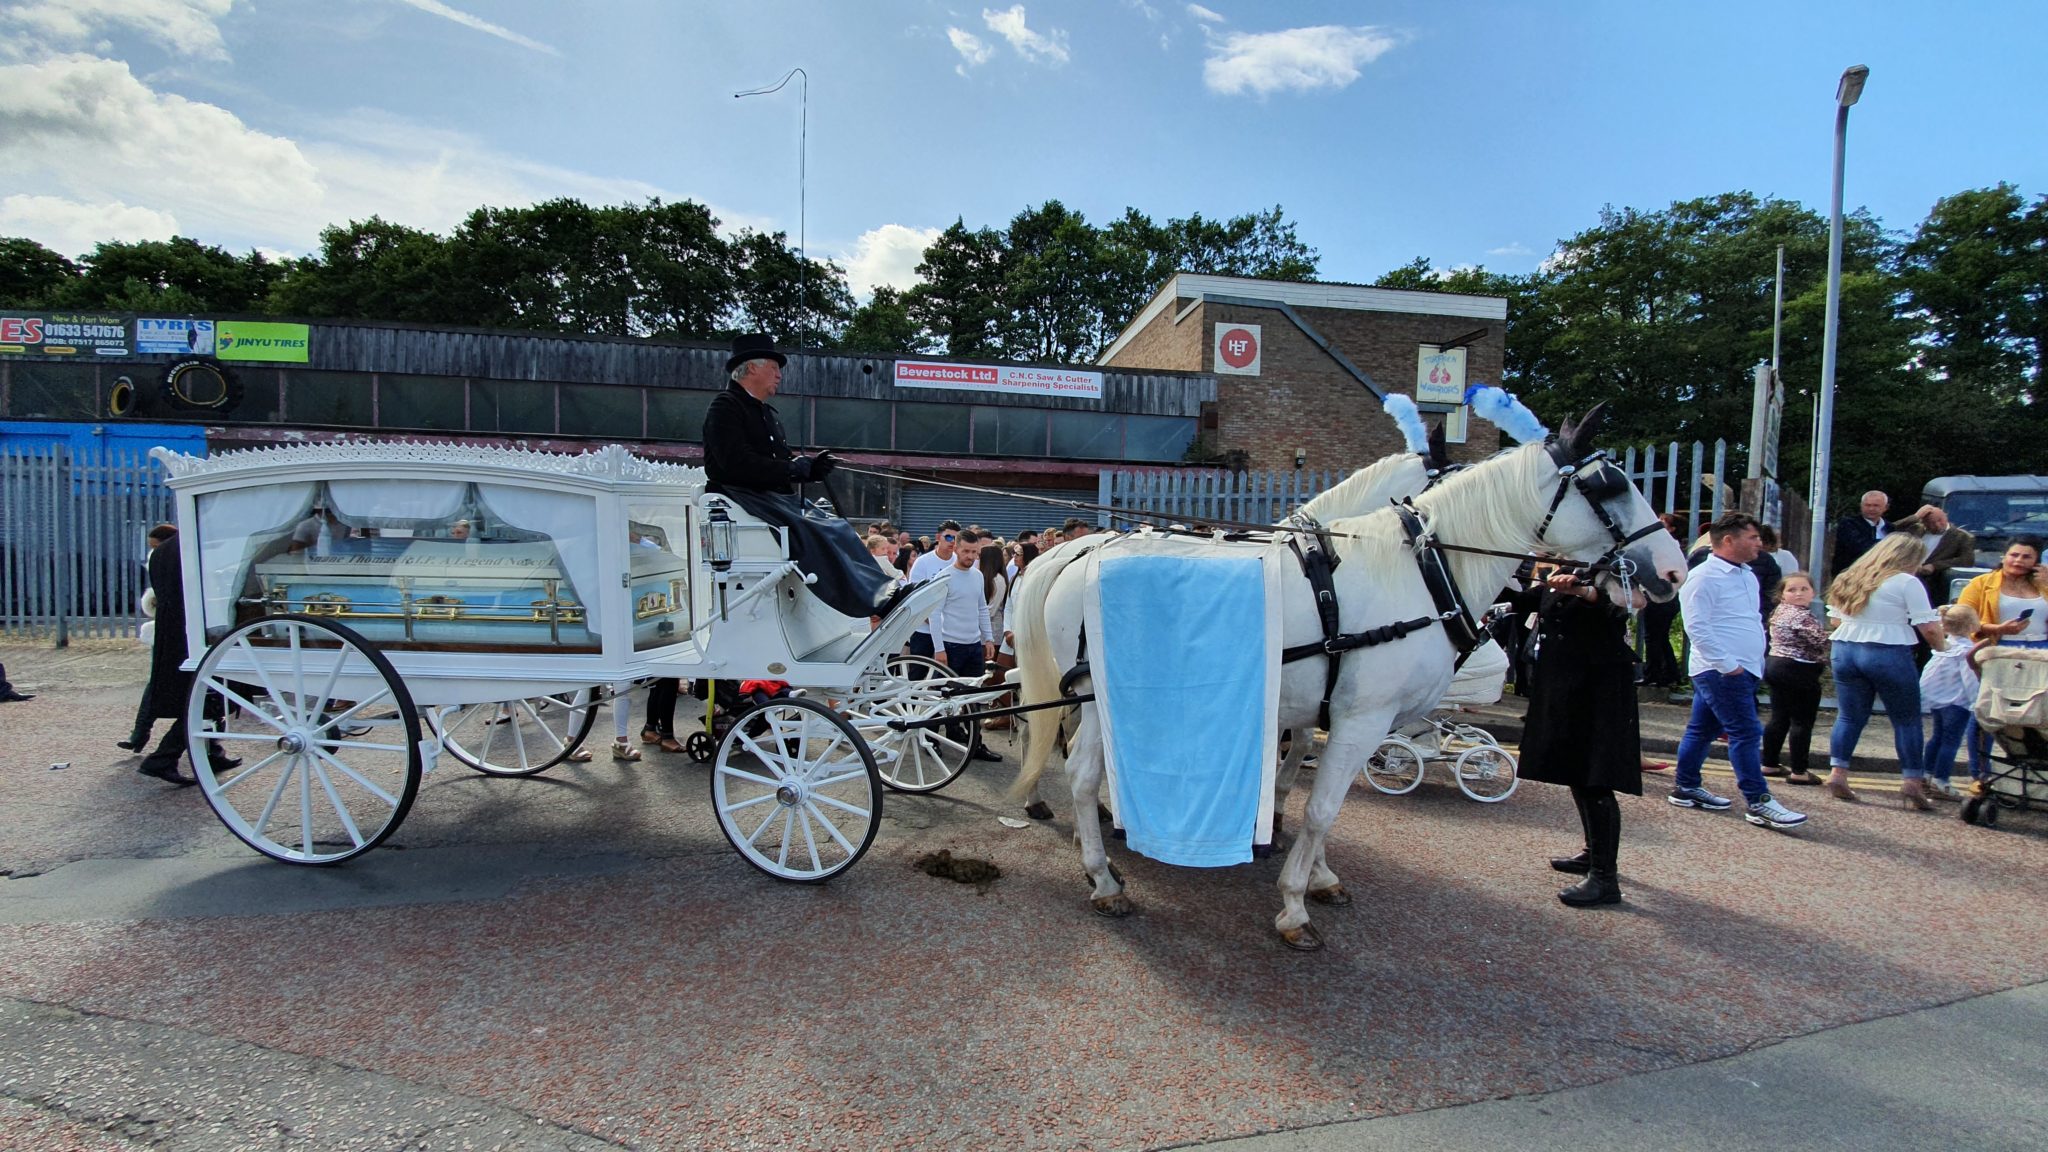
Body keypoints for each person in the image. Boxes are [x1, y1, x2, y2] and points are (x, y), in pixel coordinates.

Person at [700, 333, 900, 620]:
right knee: (818, 531)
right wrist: (794, 468)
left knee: (839, 527)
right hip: (744, 496)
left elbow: (778, 462)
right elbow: (735, 463)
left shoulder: (765, 413)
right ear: (752, 367)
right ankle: (868, 601)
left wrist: (810, 468)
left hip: (771, 496)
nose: (779, 375)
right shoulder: (725, 406)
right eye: (774, 367)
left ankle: (882, 592)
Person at [1511, 567, 1645, 907]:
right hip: (1567, 684)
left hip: (1599, 687)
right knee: (1575, 771)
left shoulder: (1612, 570)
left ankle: (1605, 879)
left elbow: (1625, 605)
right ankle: (1592, 853)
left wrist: (1584, 592)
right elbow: (1519, 599)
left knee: (1595, 779)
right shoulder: (1560, 572)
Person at [1670, 512, 1809, 830]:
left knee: (1702, 730)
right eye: (1753, 537)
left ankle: (1686, 786)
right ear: (1729, 541)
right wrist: (1727, 666)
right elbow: (1696, 627)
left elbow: (1747, 618)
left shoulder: (1746, 573)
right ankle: (1758, 801)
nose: (1759, 543)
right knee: (1746, 732)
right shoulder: (1703, 577)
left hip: (1741, 668)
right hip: (1720, 670)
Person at [1825, 532, 1949, 809]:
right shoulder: (1906, 582)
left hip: (1845, 650)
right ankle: (1911, 782)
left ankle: (1838, 773)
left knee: (1848, 716)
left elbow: (1834, 619)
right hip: (1887, 651)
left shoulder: (1851, 576)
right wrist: (1944, 648)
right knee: (1906, 720)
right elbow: (1928, 627)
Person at [135, 521, 238, 785]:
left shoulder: (165, 552)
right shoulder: (196, 548)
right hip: (196, 632)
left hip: (178, 633)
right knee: (202, 698)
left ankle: (211, 751)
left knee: (205, 696)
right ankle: (162, 758)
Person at [931, 532, 1002, 765]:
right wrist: (939, 648)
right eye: (966, 551)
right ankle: (932, 740)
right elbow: (934, 614)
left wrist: (988, 639)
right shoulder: (944, 577)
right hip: (951, 645)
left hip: (973, 645)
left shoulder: (978, 575)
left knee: (974, 697)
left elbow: (982, 608)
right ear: (956, 550)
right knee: (944, 696)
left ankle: (974, 742)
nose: (970, 556)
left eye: (974, 552)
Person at [1760, 573, 1827, 787]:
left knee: (1779, 716)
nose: (1798, 593)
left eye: (1804, 589)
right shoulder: (1802, 617)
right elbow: (1821, 642)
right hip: (1799, 669)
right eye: (1792, 590)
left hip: (1775, 665)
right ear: (1781, 595)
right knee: (1801, 721)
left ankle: (1769, 763)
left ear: (1813, 592)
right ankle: (1799, 771)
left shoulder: (1779, 612)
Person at [118, 524, 179, 749]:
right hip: (167, 625)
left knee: (161, 682)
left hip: (174, 625)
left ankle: (140, 734)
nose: (154, 551)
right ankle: (139, 733)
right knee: (156, 681)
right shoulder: (163, 559)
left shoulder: (170, 558)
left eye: (156, 546)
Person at [1920, 603, 1982, 801]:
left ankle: (1925, 774)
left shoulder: (1943, 646)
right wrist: (1977, 701)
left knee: (1936, 737)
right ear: (1971, 625)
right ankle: (1942, 780)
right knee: (1950, 742)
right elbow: (1970, 678)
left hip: (1938, 700)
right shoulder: (1967, 651)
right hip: (1957, 702)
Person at [1954, 535, 2047, 649]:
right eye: (2014, 555)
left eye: (2026, 557)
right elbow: (1960, 620)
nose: (2018, 560)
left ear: (2036, 562)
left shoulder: (2043, 584)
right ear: (2003, 557)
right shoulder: (1980, 584)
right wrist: (1997, 629)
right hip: (1995, 647)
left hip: (2041, 648)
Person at [1639, 513, 1688, 688]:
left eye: (1662, 522)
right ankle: (1671, 673)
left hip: (1659, 596)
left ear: (1672, 529)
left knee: (1652, 637)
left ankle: (1653, 675)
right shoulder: (1672, 546)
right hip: (1666, 597)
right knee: (1660, 637)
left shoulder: (1664, 547)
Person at [906, 520, 962, 665]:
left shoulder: (958, 562)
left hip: (950, 631)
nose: (952, 542)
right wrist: (930, 619)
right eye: (948, 537)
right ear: (938, 537)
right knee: (918, 672)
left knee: (946, 674)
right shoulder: (923, 562)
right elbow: (914, 595)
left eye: (956, 538)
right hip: (923, 629)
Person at [1831, 490, 1891, 577]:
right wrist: (1889, 544)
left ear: (1886, 507)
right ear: (1861, 506)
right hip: (1851, 576)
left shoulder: (1889, 528)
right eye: (1867, 505)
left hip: (1880, 576)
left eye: (1876, 506)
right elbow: (1860, 546)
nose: (1871, 509)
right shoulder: (1849, 524)